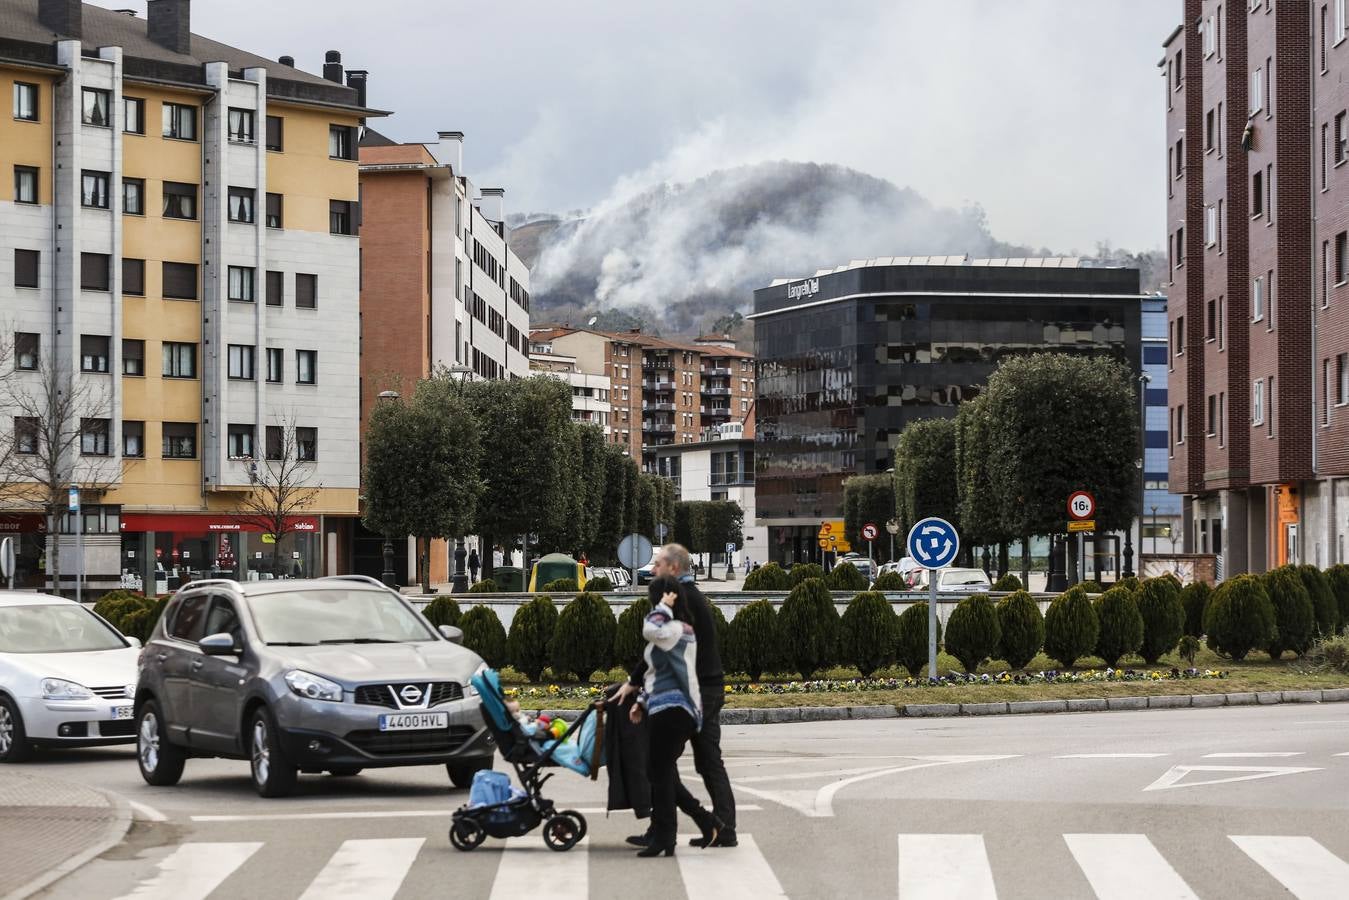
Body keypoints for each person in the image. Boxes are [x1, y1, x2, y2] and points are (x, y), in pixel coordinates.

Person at [617, 544, 737, 849]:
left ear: (672, 568)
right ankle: (713, 827)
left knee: (669, 762)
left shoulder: (684, 600)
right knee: (691, 762)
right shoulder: (686, 598)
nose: (652, 569)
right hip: (701, 689)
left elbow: (660, 642)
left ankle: (699, 826)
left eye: (657, 564)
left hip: (697, 692)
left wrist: (634, 683)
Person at [628, 575, 713, 857]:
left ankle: (665, 837)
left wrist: (663, 606)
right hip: (664, 708)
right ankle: (705, 822)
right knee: (662, 774)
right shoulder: (673, 632)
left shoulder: (677, 629)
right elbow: (657, 672)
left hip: (676, 710)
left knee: (658, 773)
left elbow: (651, 629)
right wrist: (641, 701)